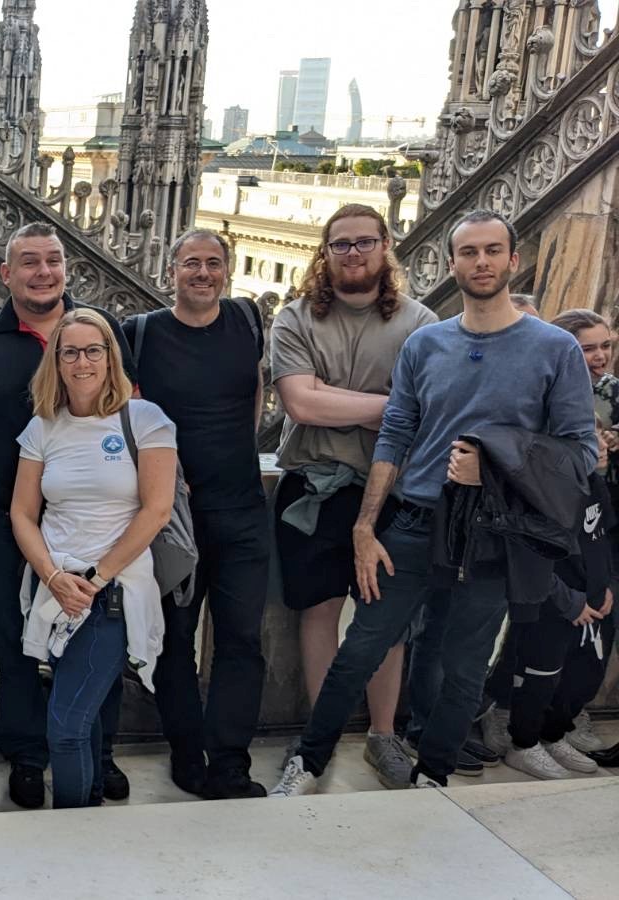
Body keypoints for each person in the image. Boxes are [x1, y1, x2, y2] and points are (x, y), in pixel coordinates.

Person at [273, 210, 597, 795]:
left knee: (464, 665)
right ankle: (310, 761)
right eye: (469, 253)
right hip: (416, 519)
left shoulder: (554, 349)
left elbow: (579, 453)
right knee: (362, 647)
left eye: (492, 251)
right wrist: (366, 526)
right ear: (452, 265)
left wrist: (492, 465)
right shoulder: (426, 343)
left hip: (495, 530)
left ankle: (435, 775)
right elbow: (395, 434)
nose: (481, 262)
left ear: (512, 260)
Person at [0, 222, 135, 809]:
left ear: (67, 269)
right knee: (14, 637)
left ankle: (101, 752)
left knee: (101, 634)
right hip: (5, 516)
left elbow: (133, 418)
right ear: (6, 273)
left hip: (95, 519)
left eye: (53, 260)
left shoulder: (101, 332)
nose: (43, 272)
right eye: (29, 262)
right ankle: (27, 754)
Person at [269, 205, 437, 789]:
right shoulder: (294, 318)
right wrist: (392, 405)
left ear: (386, 246)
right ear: (325, 252)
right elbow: (301, 405)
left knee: (382, 619)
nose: (354, 253)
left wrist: (332, 397)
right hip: (314, 487)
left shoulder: (420, 322)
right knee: (318, 613)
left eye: (365, 242)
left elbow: (426, 413)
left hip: (393, 489)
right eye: (341, 244)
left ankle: (383, 735)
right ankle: (322, 729)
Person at [11, 308, 176, 809]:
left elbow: (157, 509)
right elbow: (22, 513)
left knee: (65, 726)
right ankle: (84, 827)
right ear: (55, 362)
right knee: (79, 717)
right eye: (70, 352)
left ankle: (72, 833)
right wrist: (54, 575)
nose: (82, 362)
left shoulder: (145, 419)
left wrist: (95, 578)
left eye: (93, 350)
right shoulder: (42, 426)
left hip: (112, 593)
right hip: (56, 588)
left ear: (110, 357)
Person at [129, 228, 271, 800]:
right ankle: (187, 752)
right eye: (192, 264)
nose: (203, 273)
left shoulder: (247, 320)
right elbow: (128, 413)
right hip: (174, 514)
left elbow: (255, 393)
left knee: (242, 637)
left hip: (242, 508)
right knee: (173, 637)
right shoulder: (141, 333)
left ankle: (231, 760)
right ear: (172, 273)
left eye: (214, 264)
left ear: (227, 272)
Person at [477, 307, 617, 776]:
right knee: (532, 632)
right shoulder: (541, 403)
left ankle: (549, 726)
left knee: (571, 643)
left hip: (591, 526)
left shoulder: (604, 398)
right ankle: (512, 720)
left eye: (606, 346)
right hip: (544, 532)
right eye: (586, 348)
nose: (599, 358)